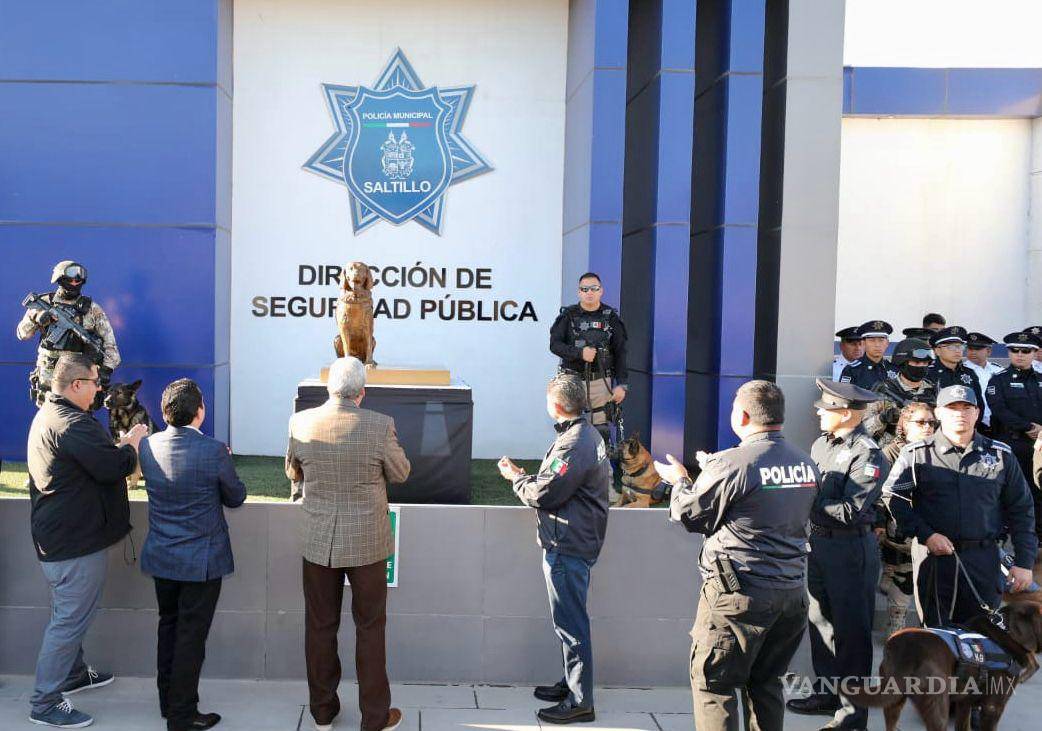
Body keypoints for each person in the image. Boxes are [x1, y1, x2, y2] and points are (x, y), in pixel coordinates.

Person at [653, 380, 819, 731]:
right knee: (766, 684)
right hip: (790, 594)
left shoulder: (732, 464)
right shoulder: (805, 462)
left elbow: (689, 514)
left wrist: (680, 480)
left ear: (742, 416)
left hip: (740, 596)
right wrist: (714, 471)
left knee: (714, 684)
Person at [285, 357, 411, 731]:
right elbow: (401, 472)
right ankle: (374, 718)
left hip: (318, 540)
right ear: (362, 393)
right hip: (367, 543)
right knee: (370, 628)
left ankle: (322, 712)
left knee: (319, 626)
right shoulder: (380, 425)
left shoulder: (301, 422)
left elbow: (292, 470)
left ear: (329, 388)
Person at [26, 353, 147, 728]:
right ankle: (45, 702)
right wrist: (132, 443)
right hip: (72, 543)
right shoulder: (72, 423)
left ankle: (74, 674)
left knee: (69, 615)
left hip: (61, 538)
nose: (100, 390)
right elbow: (113, 466)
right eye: (96, 382)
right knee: (68, 622)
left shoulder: (52, 414)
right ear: (77, 384)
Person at [498, 374, 610, 724]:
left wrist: (517, 479)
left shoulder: (573, 443)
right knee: (569, 620)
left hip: (568, 544)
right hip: (577, 539)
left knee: (571, 624)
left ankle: (580, 701)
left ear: (557, 406)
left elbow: (545, 494)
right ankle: (571, 683)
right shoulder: (585, 434)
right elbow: (560, 484)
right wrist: (529, 477)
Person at [138, 379, 247, 731]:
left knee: (168, 627)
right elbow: (235, 497)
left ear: (164, 412)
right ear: (200, 412)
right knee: (190, 638)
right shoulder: (213, 451)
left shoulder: (147, 445)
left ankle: (168, 703)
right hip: (201, 561)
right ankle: (182, 715)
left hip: (163, 557)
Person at [883, 385, 1036, 630]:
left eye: (967, 408)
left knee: (983, 636)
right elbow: (893, 496)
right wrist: (926, 534)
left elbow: (1022, 509)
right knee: (936, 637)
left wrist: (1024, 562)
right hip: (935, 559)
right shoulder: (917, 454)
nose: (960, 414)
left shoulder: (1000, 455)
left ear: (977, 413)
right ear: (939, 413)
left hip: (983, 559)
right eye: (952, 408)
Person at [786, 379, 886, 731]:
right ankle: (827, 694)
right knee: (821, 622)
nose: (818, 413)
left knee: (852, 632)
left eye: (824, 409)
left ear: (845, 414)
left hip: (850, 550)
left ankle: (853, 714)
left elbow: (850, 511)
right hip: (819, 545)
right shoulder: (821, 444)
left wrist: (805, 497)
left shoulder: (868, 454)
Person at [15, 261, 121, 408]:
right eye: (70, 280)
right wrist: (36, 319)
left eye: (78, 281)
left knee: (77, 418)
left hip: (77, 379)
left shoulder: (92, 310)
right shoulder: (45, 303)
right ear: (59, 279)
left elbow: (111, 348)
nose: (74, 283)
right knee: (50, 417)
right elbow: (22, 334)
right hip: (48, 377)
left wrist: (105, 371)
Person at [877, 402, 937, 638]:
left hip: (933, 526)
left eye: (931, 423)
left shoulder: (938, 451)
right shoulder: (890, 453)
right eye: (920, 422)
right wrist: (880, 524)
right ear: (905, 424)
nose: (927, 427)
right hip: (900, 527)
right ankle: (896, 629)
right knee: (904, 577)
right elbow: (881, 495)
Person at [549, 272, 628, 448]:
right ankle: (569, 464)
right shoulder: (568, 316)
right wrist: (579, 353)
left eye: (594, 288)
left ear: (601, 291)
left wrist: (622, 384)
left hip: (600, 383)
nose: (589, 292)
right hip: (571, 383)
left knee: (600, 432)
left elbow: (621, 352)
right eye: (585, 289)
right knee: (569, 431)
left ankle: (601, 466)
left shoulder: (611, 317)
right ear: (579, 292)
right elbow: (555, 345)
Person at [985, 331, 1042, 538]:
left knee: (1039, 492)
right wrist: (1028, 426)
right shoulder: (998, 380)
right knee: (1014, 492)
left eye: (1025, 351)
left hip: (1039, 446)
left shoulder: (1040, 380)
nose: (1019, 354)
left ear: (1034, 353)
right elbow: (999, 409)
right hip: (1012, 444)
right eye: (1014, 350)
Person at [863, 338, 936, 447]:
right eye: (916, 362)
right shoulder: (883, 391)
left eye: (925, 363)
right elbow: (863, 431)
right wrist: (882, 418)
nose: (921, 366)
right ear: (903, 363)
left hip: (929, 451)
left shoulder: (935, 391)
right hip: (893, 451)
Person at [926, 326, 984, 417]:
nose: (957, 351)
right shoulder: (928, 373)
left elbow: (979, 404)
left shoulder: (969, 373)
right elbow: (926, 406)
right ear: (937, 351)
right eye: (951, 347)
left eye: (960, 346)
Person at [838, 320, 894, 390]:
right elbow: (844, 393)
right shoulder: (852, 370)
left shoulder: (893, 369)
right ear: (864, 343)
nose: (877, 345)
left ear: (887, 343)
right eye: (872, 340)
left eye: (881, 340)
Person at [965, 332, 1003, 431]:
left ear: (989, 351)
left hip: (999, 423)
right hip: (975, 424)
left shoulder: (998, 370)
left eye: (977, 349)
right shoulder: (961, 371)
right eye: (970, 348)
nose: (973, 352)